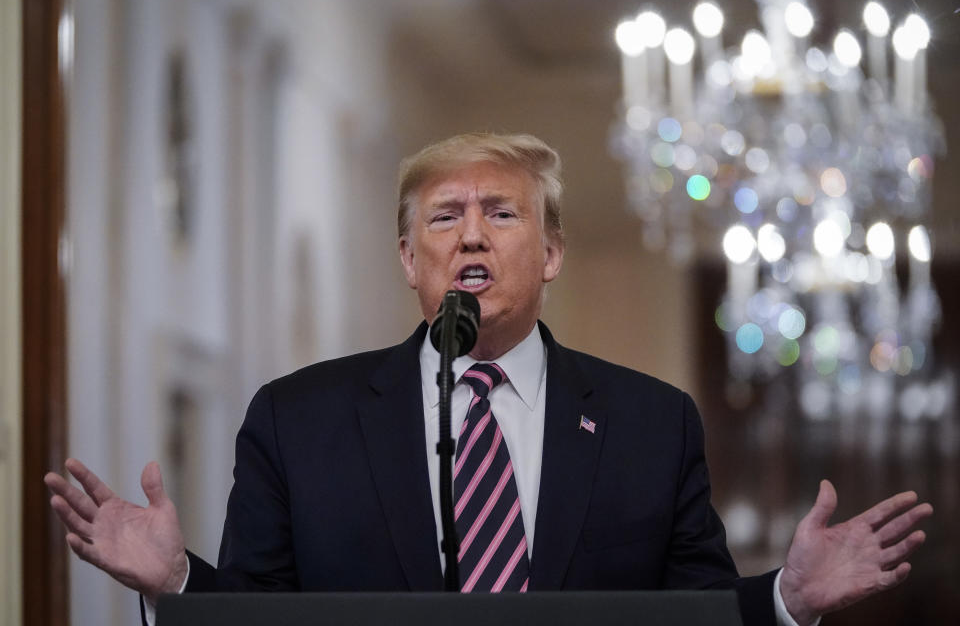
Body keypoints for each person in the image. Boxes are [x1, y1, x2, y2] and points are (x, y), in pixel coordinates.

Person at [45, 133, 932, 626]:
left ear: (549, 253)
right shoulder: (296, 419)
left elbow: (689, 617)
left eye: (501, 214)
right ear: (408, 259)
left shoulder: (650, 422)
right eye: (444, 219)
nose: (471, 237)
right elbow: (260, 620)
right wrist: (179, 587)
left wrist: (785, 598)